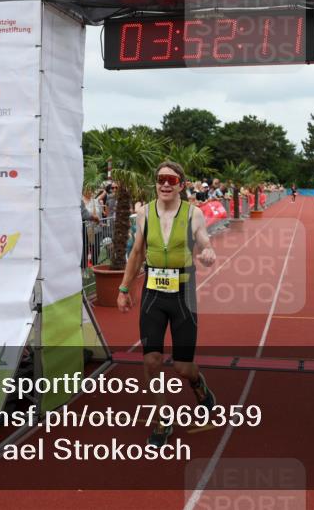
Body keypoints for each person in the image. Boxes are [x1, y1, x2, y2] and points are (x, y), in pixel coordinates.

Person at [117, 161, 217, 446]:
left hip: (183, 294)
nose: (164, 184)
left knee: (183, 368)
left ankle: (198, 384)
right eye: (160, 179)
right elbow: (137, 252)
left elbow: (203, 240)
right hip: (153, 294)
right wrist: (124, 288)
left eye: (171, 180)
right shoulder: (144, 213)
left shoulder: (193, 214)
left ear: (181, 185)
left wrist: (208, 252)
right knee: (151, 361)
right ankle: (163, 419)